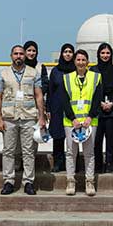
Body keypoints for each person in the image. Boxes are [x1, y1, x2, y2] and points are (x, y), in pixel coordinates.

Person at [0, 45, 46, 196]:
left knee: (28, 151)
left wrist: (41, 117)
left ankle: (28, 181)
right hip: (9, 117)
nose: (19, 56)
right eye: (16, 54)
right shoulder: (3, 73)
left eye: (21, 54)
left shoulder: (33, 73)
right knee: (9, 151)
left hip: (28, 117)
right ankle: (8, 181)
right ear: (11, 56)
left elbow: (38, 95)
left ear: (25, 56)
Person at [62, 49, 103, 196]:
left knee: (89, 152)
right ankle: (70, 181)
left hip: (89, 122)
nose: (81, 63)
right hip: (70, 122)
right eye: (78, 60)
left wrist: (90, 117)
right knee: (70, 152)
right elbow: (65, 100)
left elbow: (97, 99)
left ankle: (89, 182)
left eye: (83, 60)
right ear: (74, 61)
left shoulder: (96, 77)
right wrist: (73, 118)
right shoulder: (66, 78)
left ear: (88, 62)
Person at [90, 43, 113, 173]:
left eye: (108, 53)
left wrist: (112, 103)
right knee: (96, 140)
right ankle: (97, 165)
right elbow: (90, 90)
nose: (105, 55)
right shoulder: (93, 70)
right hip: (97, 111)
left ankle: (110, 164)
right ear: (98, 54)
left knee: (110, 140)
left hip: (111, 111)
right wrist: (100, 103)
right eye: (102, 53)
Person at [47, 43, 76, 172]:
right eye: (65, 52)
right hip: (57, 108)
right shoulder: (56, 71)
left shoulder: (77, 70)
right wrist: (48, 109)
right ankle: (58, 162)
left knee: (73, 137)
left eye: (70, 52)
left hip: (73, 108)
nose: (68, 54)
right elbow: (50, 91)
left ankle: (73, 163)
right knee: (58, 137)